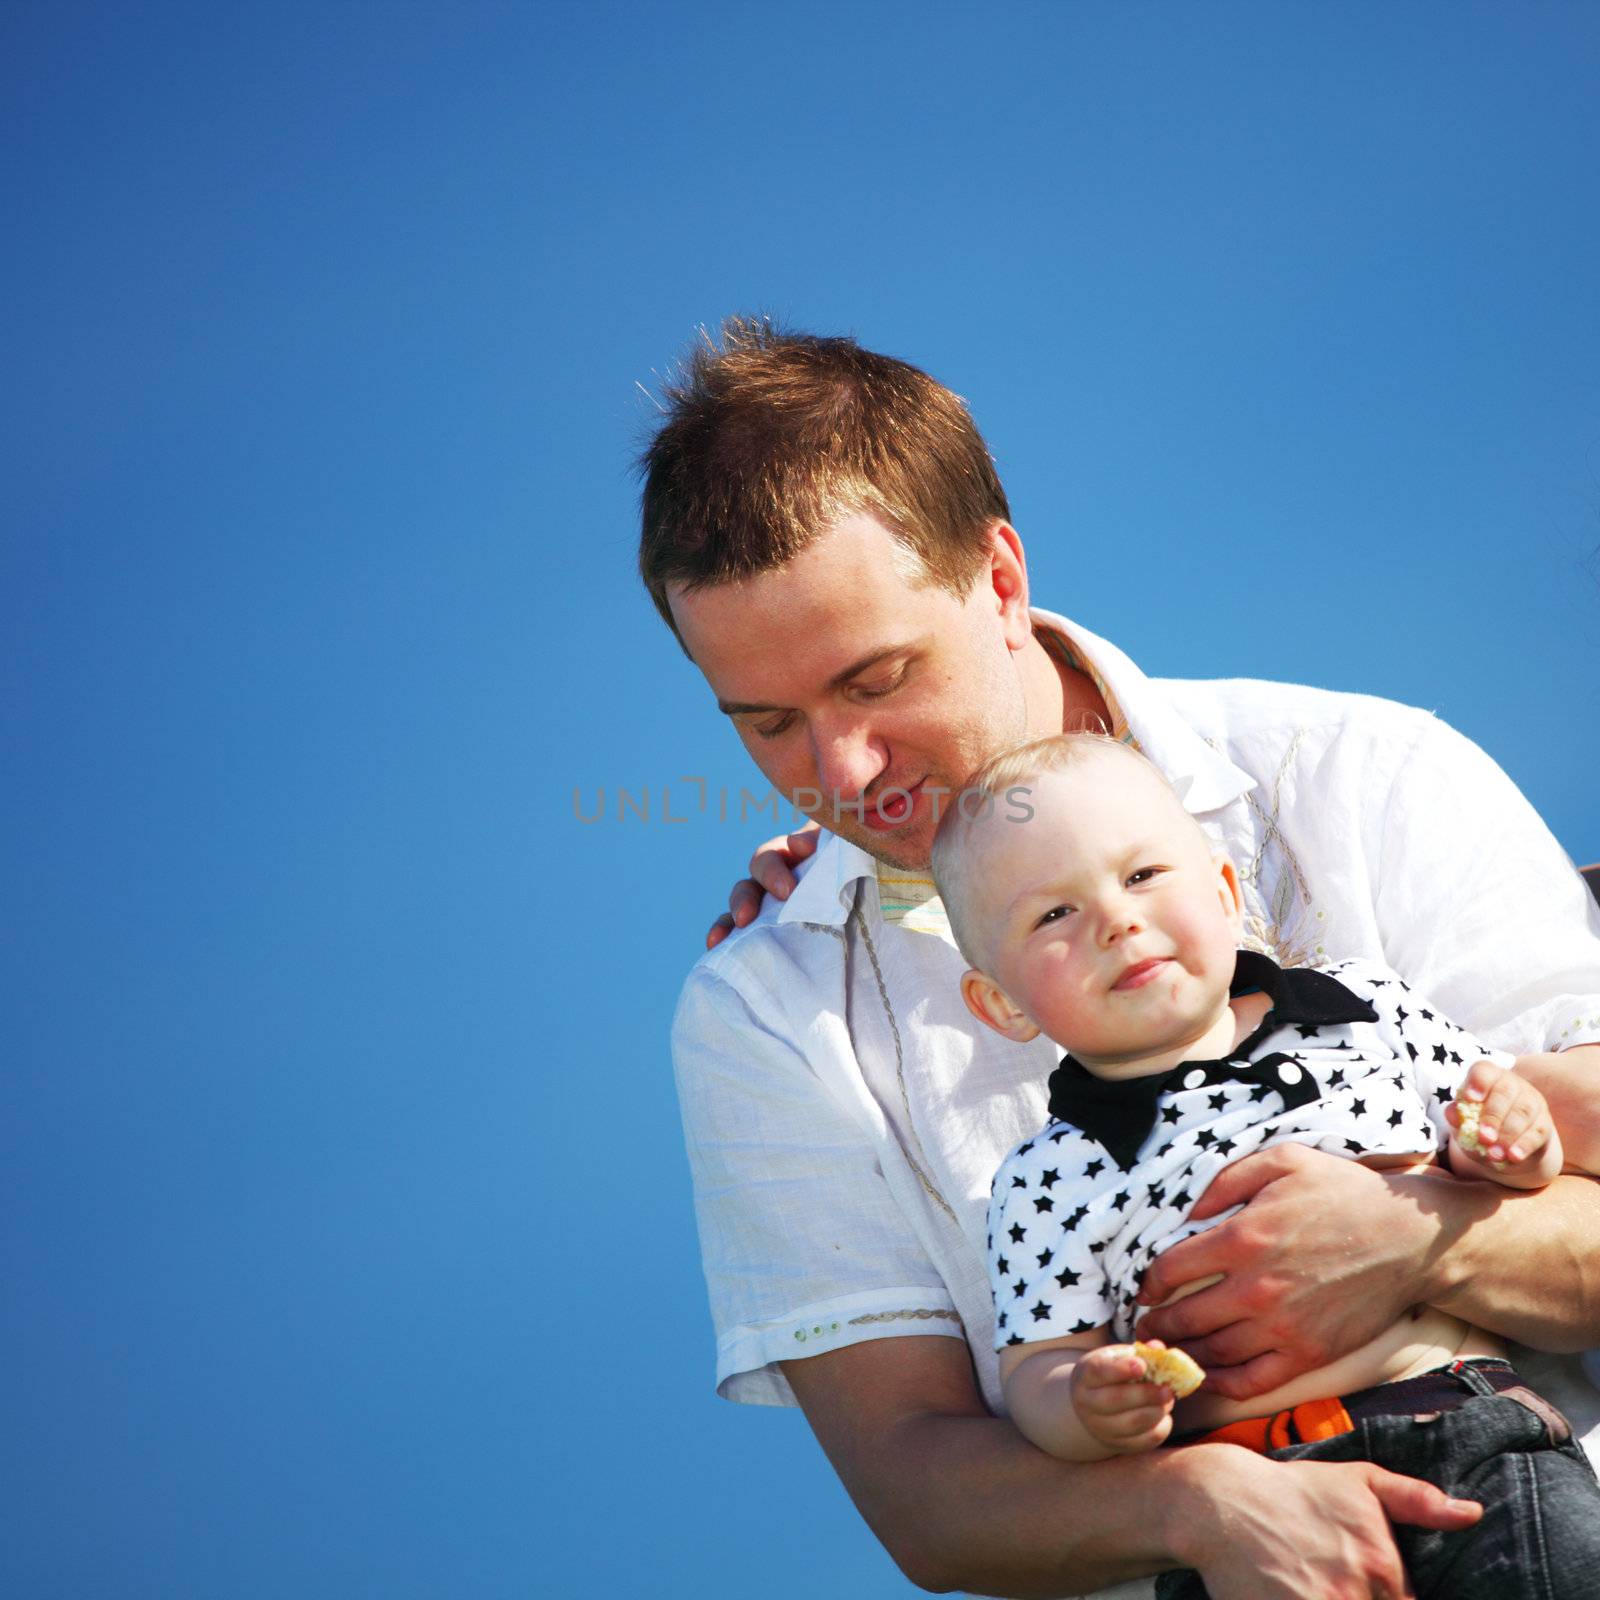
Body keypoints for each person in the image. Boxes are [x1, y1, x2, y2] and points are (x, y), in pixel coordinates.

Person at [638, 318, 1600, 1599]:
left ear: (998, 576)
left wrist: (1421, 1239)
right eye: (768, 722)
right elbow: (921, 1496)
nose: (841, 773)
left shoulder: (1363, 775)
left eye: (877, 680)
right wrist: (1195, 1500)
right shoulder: (769, 1006)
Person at [929, 731, 1600, 1597]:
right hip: (1247, 1507)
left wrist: (1512, 1140)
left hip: (1465, 1432)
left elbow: (1498, 1152)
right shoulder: (1047, 1176)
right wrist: (1086, 1402)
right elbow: (1038, 1364)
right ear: (1002, 1004)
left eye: (1141, 876)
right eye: (1053, 914)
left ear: (1224, 890)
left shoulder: (1359, 1010)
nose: (1116, 920)